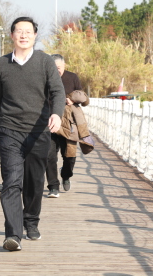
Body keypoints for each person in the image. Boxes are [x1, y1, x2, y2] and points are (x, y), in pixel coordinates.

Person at [0, 17, 65, 251]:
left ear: (35, 35)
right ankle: (13, 234)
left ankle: (31, 221)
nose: (23, 35)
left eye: (28, 31)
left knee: (34, 181)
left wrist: (57, 114)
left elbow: (57, 91)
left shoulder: (45, 61)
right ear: (11, 35)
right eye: (19, 31)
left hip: (38, 131)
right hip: (9, 130)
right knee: (11, 181)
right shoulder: (1, 64)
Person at [45, 54, 88, 198]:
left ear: (64, 66)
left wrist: (73, 100)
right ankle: (53, 187)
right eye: (53, 68)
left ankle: (66, 175)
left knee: (70, 156)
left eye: (59, 67)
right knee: (50, 156)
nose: (56, 70)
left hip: (68, 124)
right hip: (49, 122)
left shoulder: (72, 77)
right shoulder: (45, 77)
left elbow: (82, 96)